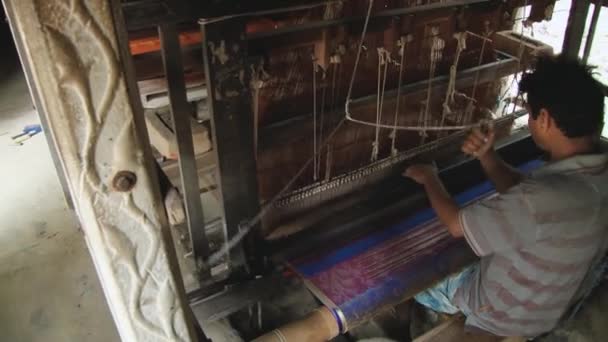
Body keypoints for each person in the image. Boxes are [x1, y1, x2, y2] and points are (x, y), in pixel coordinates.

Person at [404, 55, 608, 337]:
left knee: (418, 281)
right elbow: (523, 192)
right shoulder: (597, 176)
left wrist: (429, 177)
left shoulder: (538, 200)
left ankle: (430, 317)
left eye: (530, 114)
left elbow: (455, 224)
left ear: (545, 119)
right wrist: (487, 157)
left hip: (500, 313)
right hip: (547, 310)